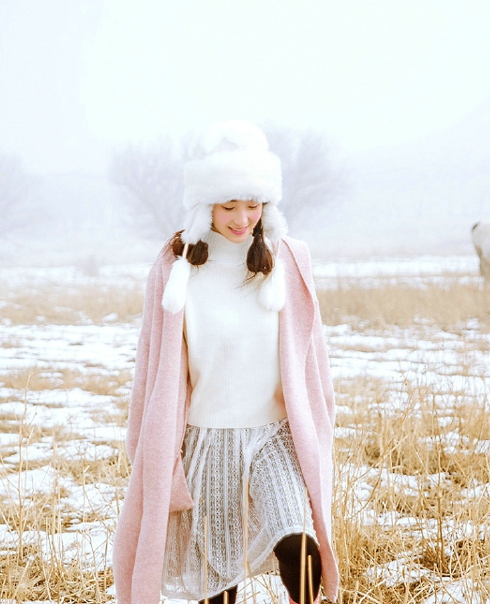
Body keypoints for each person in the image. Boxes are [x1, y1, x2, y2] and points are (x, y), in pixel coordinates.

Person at [112, 120, 339, 604]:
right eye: (228, 206)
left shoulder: (289, 260)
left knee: (299, 547)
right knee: (219, 583)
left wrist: (321, 422)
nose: (242, 219)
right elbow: (151, 365)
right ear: (204, 206)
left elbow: (312, 357)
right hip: (207, 439)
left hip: (274, 435)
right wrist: (147, 445)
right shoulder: (177, 266)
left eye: (253, 205)